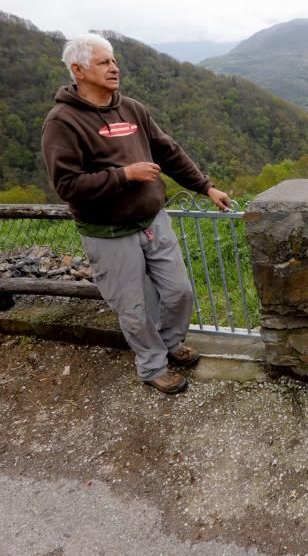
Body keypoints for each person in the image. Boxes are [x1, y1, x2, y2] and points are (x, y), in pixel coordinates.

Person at [41, 33, 231, 395]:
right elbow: (67, 185)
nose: (114, 68)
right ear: (78, 70)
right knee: (134, 307)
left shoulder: (132, 109)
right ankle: (153, 366)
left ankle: (171, 345)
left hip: (152, 222)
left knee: (179, 292)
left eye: (113, 61)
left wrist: (206, 187)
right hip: (108, 233)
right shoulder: (62, 122)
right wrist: (124, 175)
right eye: (104, 62)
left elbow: (169, 152)